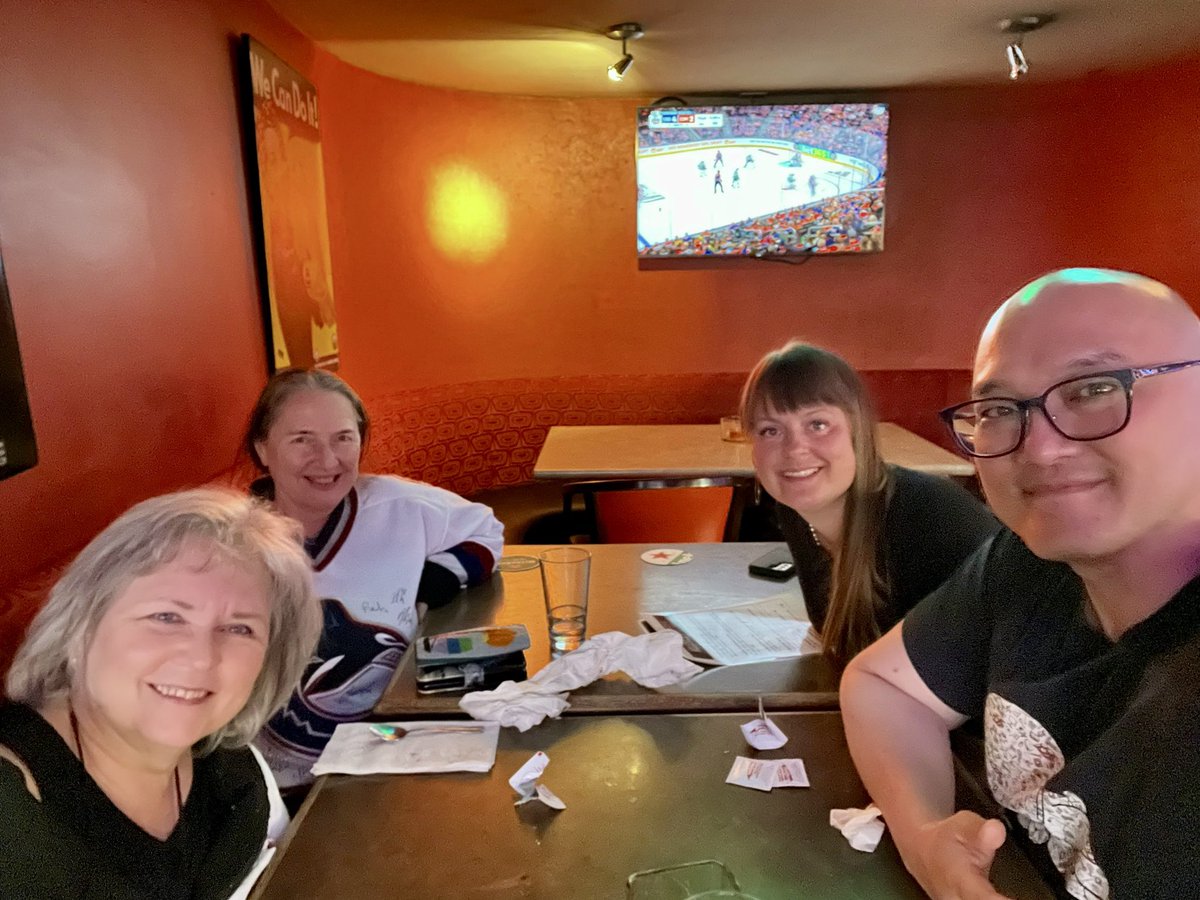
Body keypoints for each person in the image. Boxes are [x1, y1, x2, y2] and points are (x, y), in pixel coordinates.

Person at [840, 268, 1200, 899]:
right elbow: (882, 685)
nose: (1039, 448)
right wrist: (926, 838)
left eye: (1093, 388)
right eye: (1000, 409)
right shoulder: (1029, 562)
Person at [1, 489, 322, 899]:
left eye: (240, 628)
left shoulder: (233, 772)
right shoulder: (12, 809)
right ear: (80, 630)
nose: (202, 658)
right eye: (166, 617)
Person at [243, 368, 504, 788]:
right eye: (302, 439)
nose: (328, 460)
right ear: (263, 449)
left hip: (390, 761)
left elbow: (486, 532)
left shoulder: (402, 508)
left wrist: (441, 575)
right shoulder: (228, 546)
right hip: (274, 789)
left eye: (343, 438)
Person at [739, 342, 999, 665]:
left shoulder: (926, 519)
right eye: (770, 430)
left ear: (856, 430)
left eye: (817, 424)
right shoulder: (797, 511)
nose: (795, 449)